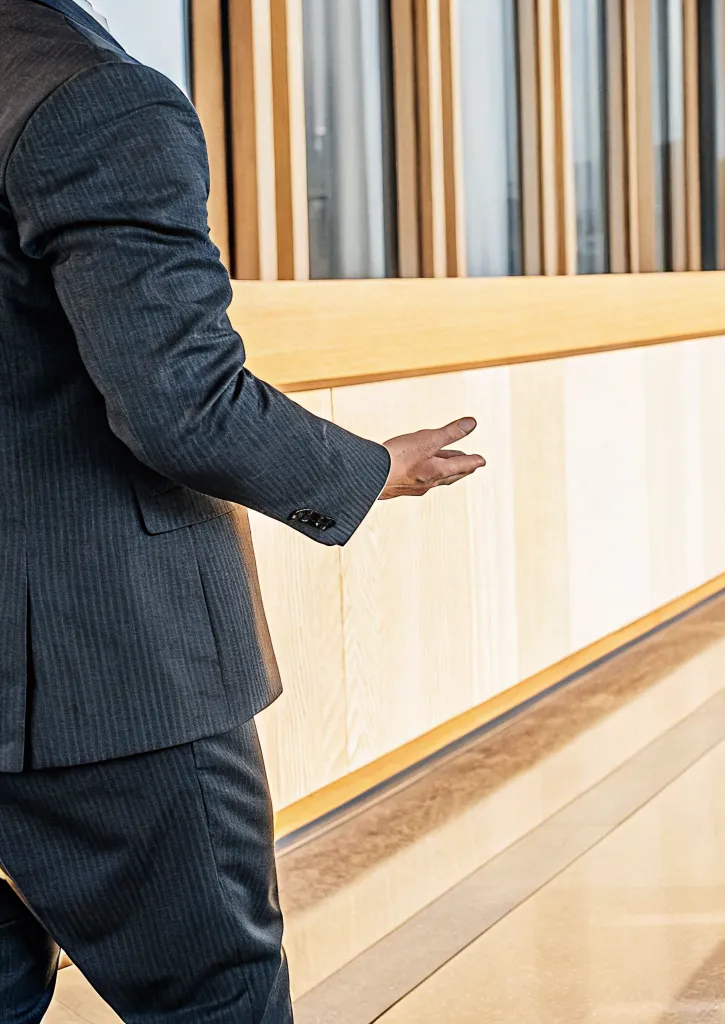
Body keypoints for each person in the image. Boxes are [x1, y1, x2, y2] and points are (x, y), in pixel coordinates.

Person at [0, 0, 483, 1018]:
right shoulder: (92, 97)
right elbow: (181, 406)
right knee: (215, 997)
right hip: (106, 678)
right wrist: (367, 469)